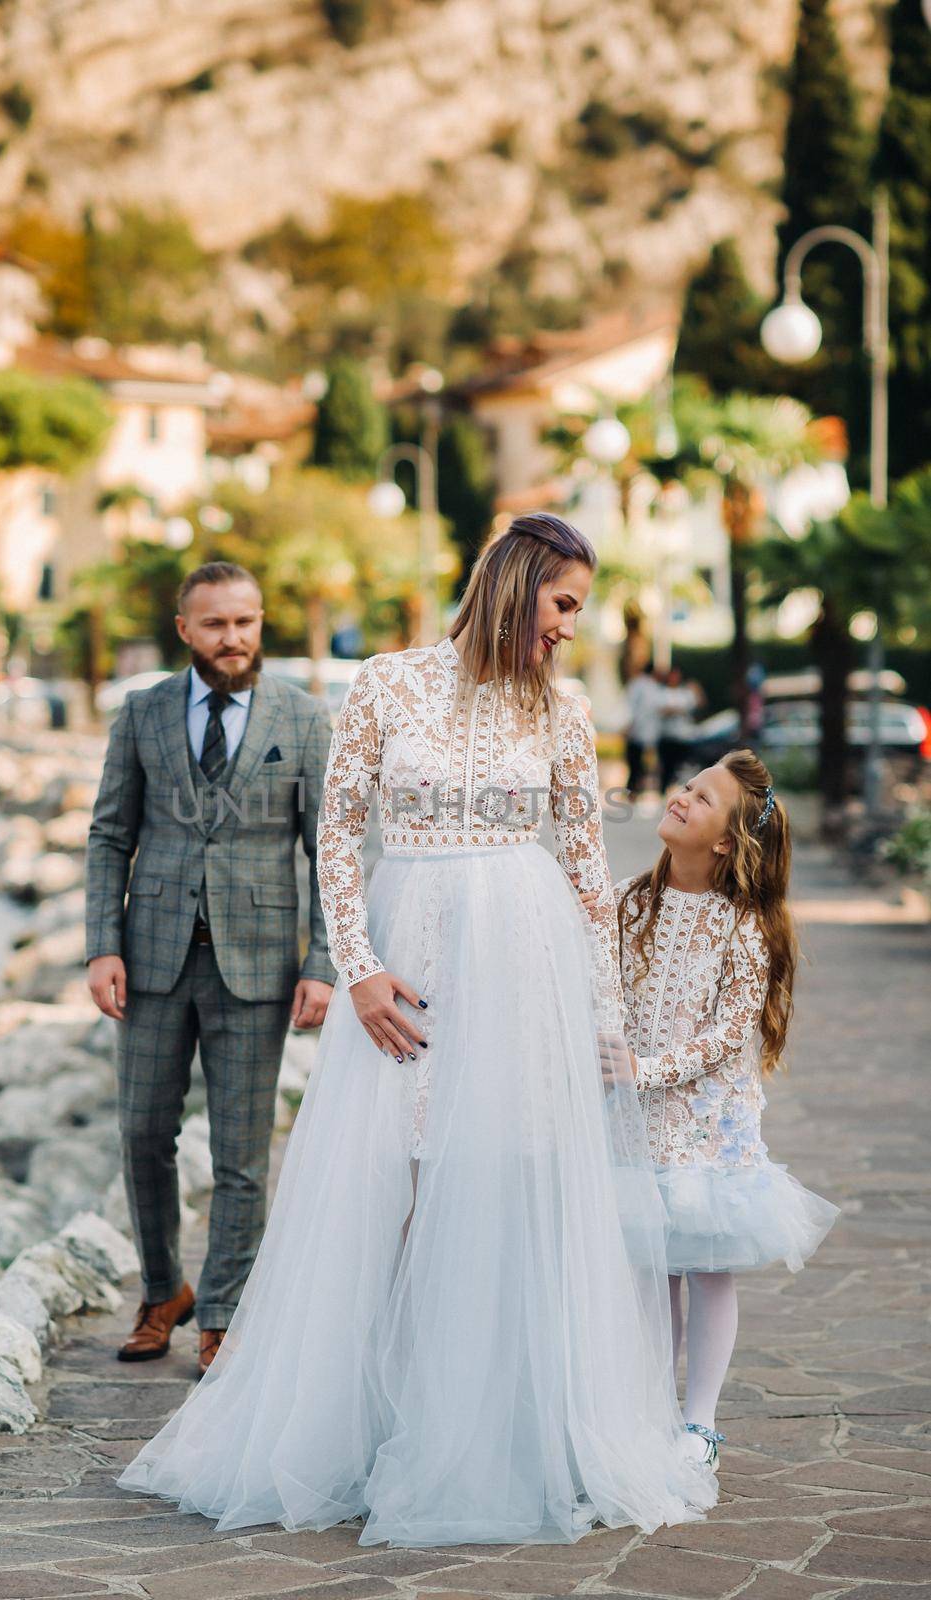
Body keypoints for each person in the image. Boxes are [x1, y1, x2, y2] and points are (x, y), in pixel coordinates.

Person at [116, 512, 716, 1547]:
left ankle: (491, 1428)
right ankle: (374, 1424)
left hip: (522, 963)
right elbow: (339, 832)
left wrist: (606, 1015)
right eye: (564, 602)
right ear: (517, 583)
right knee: (386, 1182)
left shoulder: (565, 710)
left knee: (499, 1176)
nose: (573, 627)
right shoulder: (387, 684)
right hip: (408, 958)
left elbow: (584, 869)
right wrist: (357, 967)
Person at [84, 561, 336, 1377]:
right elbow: (109, 836)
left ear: (262, 624)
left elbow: (326, 851)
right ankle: (163, 1291)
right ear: (185, 629)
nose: (234, 639)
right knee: (142, 1135)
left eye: (246, 622)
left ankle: (222, 1311)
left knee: (240, 1154)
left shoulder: (301, 720)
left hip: (258, 965)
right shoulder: (141, 713)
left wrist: (324, 962)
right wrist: (101, 946)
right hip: (151, 957)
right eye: (216, 624)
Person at [612, 751, 839, 1470]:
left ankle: (698, 1422)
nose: (680, 797)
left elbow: (725, 1036)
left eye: (700, 798)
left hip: (705, 1123)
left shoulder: (744, 928)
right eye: (687, 786)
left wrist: (645, 1071)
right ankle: (646, 1410)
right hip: (634, 1120)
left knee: (707, 1266)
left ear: (723, 842)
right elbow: (604, 991)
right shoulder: (628, 904)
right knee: (650, 1270)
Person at [657, 666, 704, 794]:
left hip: (683, 737)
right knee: (667, 767)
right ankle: (663, 791)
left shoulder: (684, 693)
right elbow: (661, 710)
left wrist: (696, 689)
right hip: (668, 736)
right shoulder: (662, 692)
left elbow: (698, 704)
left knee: (684, 767)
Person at [625, 662, 662, 796]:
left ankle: (633, 791)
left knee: (635, 764)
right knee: (639, 765)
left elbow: (630, 708)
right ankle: (634, 791)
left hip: (638, 731)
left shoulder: (637, 684)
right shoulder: (651, 687)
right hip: (645, 732)